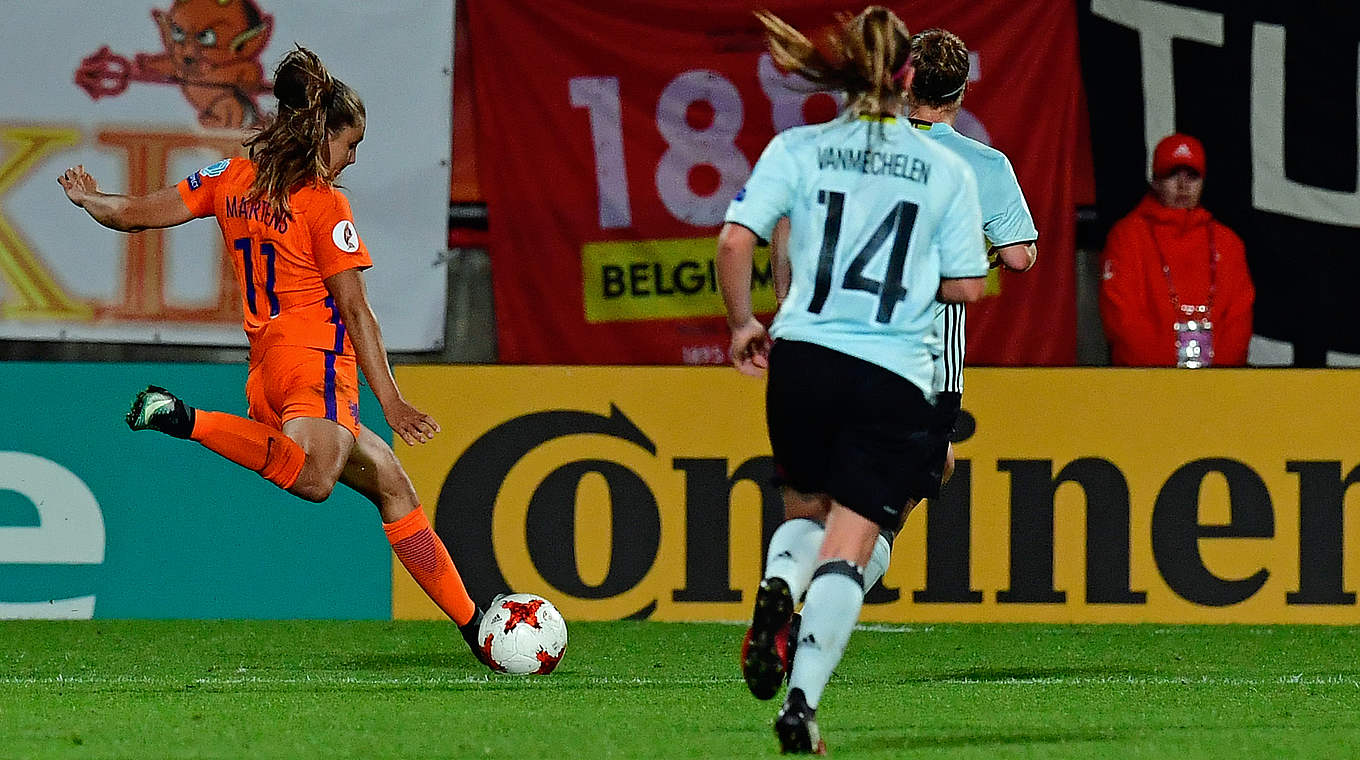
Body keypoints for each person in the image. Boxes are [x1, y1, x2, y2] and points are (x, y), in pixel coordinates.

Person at [58, 46, 491, 667]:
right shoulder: (323, 203)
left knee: (393, 486)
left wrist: (93, 201)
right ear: (323, 137)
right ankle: (181, 417)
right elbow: (356, 310)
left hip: (266, 368)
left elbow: (131, 216)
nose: (352, 158)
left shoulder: (229, 179)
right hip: (315, 361)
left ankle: (478, 629)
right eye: (350, 144)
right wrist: (391, 400)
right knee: (315, 479)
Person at [718, 7, 987, 753]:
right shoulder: (946, 169)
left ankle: (778, 582)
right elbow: (967, 288)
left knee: (804, 518)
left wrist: (743, 324)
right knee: (852, 544)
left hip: (802, 356)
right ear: (908, 78)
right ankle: (799, 707)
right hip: (891, 368)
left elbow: (738, 238)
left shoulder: (800, 147)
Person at [1099, 133, 1254, 367]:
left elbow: (1239, 319)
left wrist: (1218, 370)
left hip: (1218, 385)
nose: (1183, 185)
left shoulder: (1228, 242)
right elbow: (1122, 319)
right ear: (1155, 180)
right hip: (1145, 382)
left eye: (1192, 176)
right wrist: (1166, 371)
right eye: (1172, 174)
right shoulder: (1127, 236)